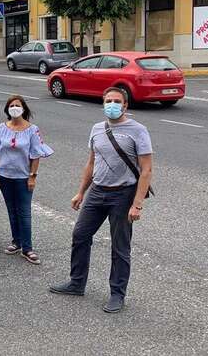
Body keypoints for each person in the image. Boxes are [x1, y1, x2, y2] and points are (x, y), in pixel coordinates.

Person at [49, 87, 153, 314]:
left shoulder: (138, 130)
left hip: (123, 194)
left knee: (120, 246)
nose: (112, 105)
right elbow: (91, 162)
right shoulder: (97, 129)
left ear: (125, 105)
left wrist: (137, 204)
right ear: (103, 103)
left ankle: (117, 294)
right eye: (108, 101)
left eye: (117, 101)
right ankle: (77, 283)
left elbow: (146, 170)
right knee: (80, 235)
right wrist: (80, 192)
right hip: (97, 191)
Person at [0, 95, 53, 265]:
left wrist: (32, 176)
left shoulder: (32, 129)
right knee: (11, 210)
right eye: (11, 105)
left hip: (23, 177)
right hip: (4, 176)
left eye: (17, 105)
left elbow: (36, 153)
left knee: (24, 212)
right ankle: (16, 241)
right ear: (7, 109)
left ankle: (27, 248)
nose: (14, 108)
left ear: (23, 108)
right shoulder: (2, 128)